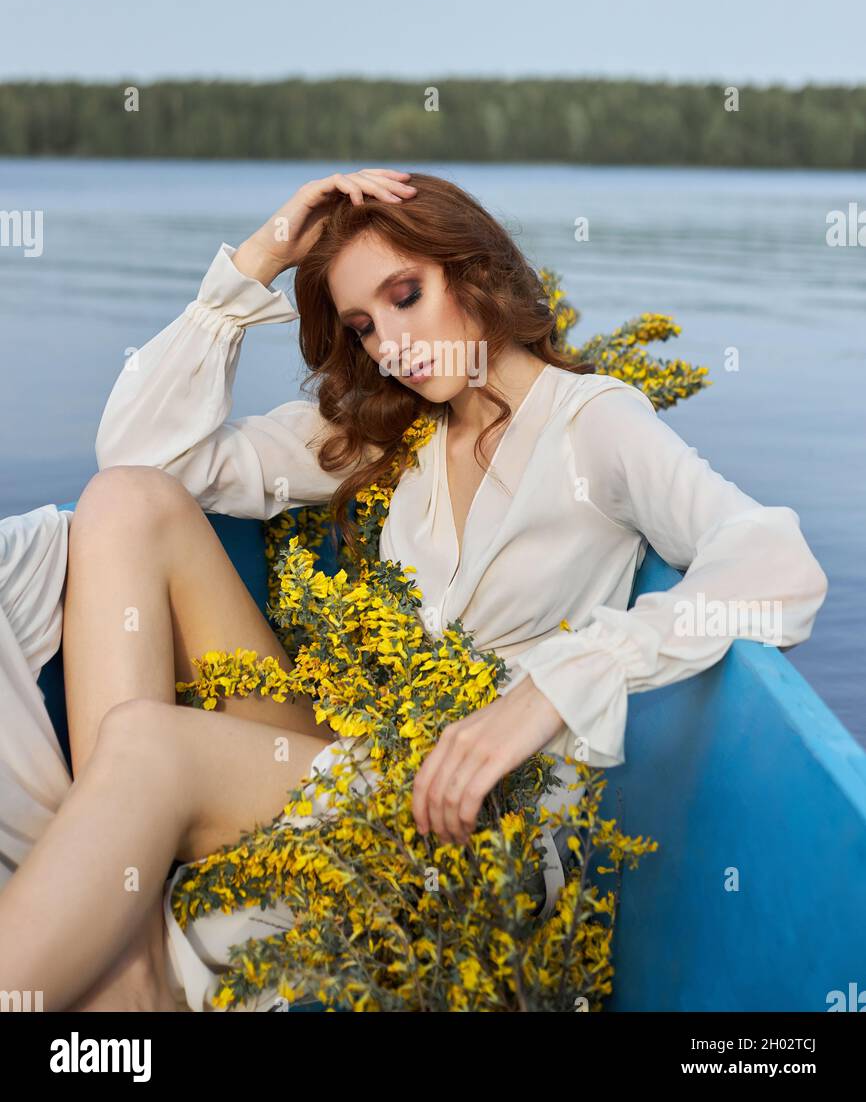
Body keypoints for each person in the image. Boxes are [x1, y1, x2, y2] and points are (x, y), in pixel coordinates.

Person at [0, 168, 829, 1012]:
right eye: (364, 324)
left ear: (472, 268)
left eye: (406, 295)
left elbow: (776, 563)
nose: (390, 342)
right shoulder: (388, 428)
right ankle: (134, 970)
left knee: (148, 741)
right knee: (127, 504)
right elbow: (143, 455)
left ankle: (113, 968)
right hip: (358, 747)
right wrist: (260, 257)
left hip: (480, 807)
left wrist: (556, 684)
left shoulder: (593, 424)